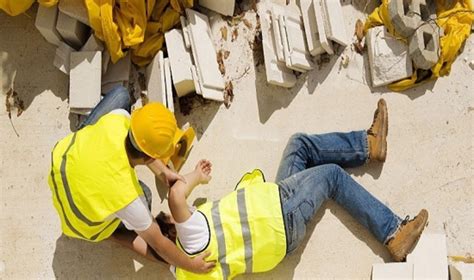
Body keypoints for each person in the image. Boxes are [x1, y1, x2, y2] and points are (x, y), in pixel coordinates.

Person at [161, 99, 428, 279]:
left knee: (298, 145)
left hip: (276, 230)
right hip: (279, 214)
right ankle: (393, 232)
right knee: (332, 176)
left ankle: (369, 145)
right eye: (171, 216)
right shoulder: (191, 238)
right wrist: (195, 176)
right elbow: (176, 194)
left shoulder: (183, 272)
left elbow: (148, 245)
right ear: (174, 229)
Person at [47, 86, 215, 274]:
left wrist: (163, 173)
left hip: (63, 162)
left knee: (121, 95)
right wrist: (192, 266)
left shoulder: (118, 118)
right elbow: (159, 244)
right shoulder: (130, 199)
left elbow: (141, 148)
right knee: (147, 197)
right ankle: (109, 234)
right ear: (151, 157)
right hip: (80, 222)